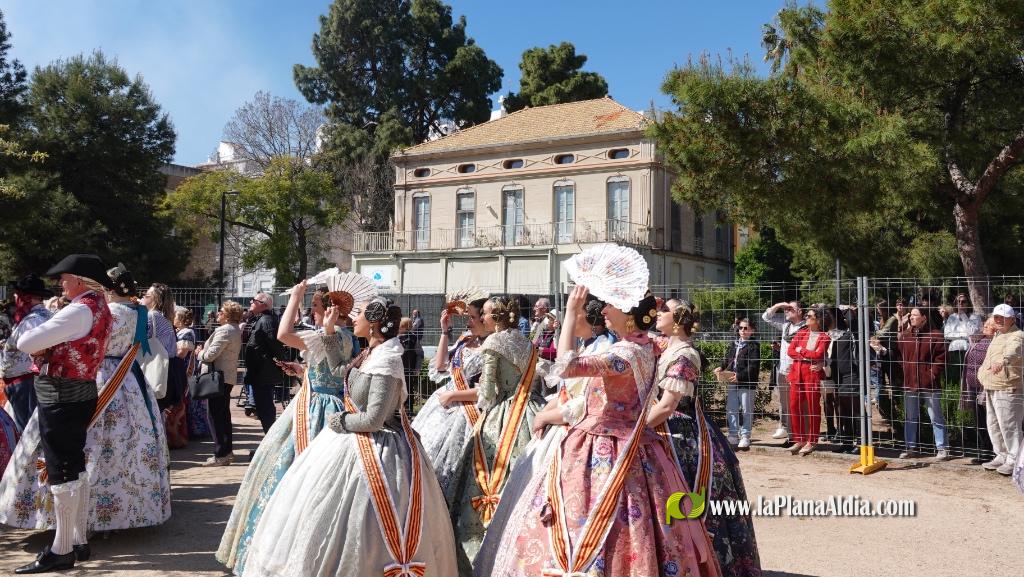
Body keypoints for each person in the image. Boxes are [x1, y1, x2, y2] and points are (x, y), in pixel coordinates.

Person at [486, 285, 721, 577]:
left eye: (611, 306)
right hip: (641, 448)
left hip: (602, 448)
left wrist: (571, 313)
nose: (605, 311)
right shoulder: (647, 346)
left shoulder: (623, 355)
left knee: (589, 523)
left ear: (629, 314)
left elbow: (567, 368)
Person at [240, 297, 457, 577]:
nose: (354, 319)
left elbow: (373, 420)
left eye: (360, 315)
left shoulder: (388, 360)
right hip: (354, 442)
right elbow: (341, 373)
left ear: (375, 322)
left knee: (363, 524)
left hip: (382, 451)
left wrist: (338, 420)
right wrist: (329, 333)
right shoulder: (372, 352)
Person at [217, 278, 356, 574]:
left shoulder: (328, 334)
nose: (311, 310)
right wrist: (303, 371)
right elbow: (329, 370)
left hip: (316, 407)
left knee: (291, 472)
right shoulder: (347, 336)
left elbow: (283, 334)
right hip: (324, 400)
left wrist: (294, 297)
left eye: (315, 306)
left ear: (330, 309)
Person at [474, 293, 615, 577]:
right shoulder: (581, 344)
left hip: (579, 430)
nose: (569, 324)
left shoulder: (605, 350)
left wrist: (546, 415)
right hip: (548, 415)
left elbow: (584, 401)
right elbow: (562, 388)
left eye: (575, 317)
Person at [1, 254, 114, 574]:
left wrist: (44, 347)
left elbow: (26, 341)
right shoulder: (99, 306)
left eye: (65, 278)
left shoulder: (79, 310)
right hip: (81, 391)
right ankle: (77, 540)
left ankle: (61, 549)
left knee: (61, 468)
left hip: (60, 395)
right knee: (74, 465)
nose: (60, 283)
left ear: (80, 280)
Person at [656, 300, 762, 577]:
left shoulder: (685, 355)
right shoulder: (666, 348)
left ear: (678, 320)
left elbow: (668, 405)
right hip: (664, 428)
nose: (657, 314)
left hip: (682, 437)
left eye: (663, 310)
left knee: (691, 498)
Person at [448, 296, 546, 573]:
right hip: (531, 407)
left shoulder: (493, 343)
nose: (482, 319)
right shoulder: (525, 341)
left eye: (487, 314)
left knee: (487, 476)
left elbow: (487, 392)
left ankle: (481, 552)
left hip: (504, 416)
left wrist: (481, 414)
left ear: (496, 317)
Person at [412, 294, 491, 503]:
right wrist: (445, 331)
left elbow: (488, 390)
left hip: (467, 409)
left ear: (485, 318)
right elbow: (440, 366)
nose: (468, 322)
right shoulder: (465, 339)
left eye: (473, 317)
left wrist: (453, 395)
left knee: (448, 463)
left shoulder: (492, 347)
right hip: (443, 403)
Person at [0, 274, 54, 431]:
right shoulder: (41, 316)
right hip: (25, 382)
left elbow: (39, 348)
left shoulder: (33, 320)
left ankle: (31, 457)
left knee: (28, 430)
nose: (15, 297)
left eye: (17, 294)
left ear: (26, 297)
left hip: (27, 383)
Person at [897, 306, 949, 460]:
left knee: (936, 416)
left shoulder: (936, 336)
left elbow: (942, 359)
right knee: (910, 416)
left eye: (914, 315)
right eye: (910, 315)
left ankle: (942, 448)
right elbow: (900, 357)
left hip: (929, 384)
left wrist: (931, 374)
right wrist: (906, 372)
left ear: (924, 317)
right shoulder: (905, 336)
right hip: (910, 383)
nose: (911, 317)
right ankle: (910, 447)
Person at [978, 303, 1024, 476]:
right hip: (991, 386)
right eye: (996, 317)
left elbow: (1014, 351)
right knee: (994, 424)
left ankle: (1014, 460)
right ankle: (1001, 455)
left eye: (1002, 318)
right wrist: (982, 374)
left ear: (1012, 319)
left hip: (1008, 387)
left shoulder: (1018, 335)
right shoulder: (997, 335)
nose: (998, 320)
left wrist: (1003, 361)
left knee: (1009, 425)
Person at [196, 300, 243, 466]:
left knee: (215, 416)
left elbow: (211, 355)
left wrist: (199, 353)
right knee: (223, 415)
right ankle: (227, 451)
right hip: (227, 377)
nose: (218, 314)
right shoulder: (235, 329)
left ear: (228, 315)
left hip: (218, 377)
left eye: (221, 311)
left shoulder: (225, 330)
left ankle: (220, 454)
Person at [786, 306, 830, 455]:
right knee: (794, 405)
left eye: (810, 316)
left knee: (813, 408)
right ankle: (800, 439)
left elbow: (818, 355)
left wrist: (801, 351)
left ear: (818, 320)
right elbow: (790, 351)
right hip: (797, 373)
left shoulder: (824, 336)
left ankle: (812, 440)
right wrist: (806, 355)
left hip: (812, 375)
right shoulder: (802, 332)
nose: (806, 318)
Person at [762, 300, 806, 442]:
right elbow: (766, 317)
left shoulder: (806, 328)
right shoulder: (786, 326)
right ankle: (785, 427)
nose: (786, 311)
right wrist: (779, 305)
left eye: (790, 309)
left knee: (798, 402)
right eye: (786, 309)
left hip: (797, 371)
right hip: (783, 370)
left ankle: (798, 432)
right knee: (783, 401)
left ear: (800, 311)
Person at [243, 292, 285, 433]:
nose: (250, 302)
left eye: (253, 300)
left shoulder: (266, 320)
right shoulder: (260, 319)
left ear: (262, 304)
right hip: (259, 372)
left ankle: (270, 441)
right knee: (262, 408)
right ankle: (269, 440)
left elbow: (275, 344)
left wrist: (282, 363)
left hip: (263, 373)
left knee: (265, 408)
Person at [718, 317, 761, 450]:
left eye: (745, 328)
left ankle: (745, 436)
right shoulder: (734, 343)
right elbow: (728, 359)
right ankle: (733, 434)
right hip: (732, 380)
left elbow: (753, 366)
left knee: (746, 410)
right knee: (731, 408)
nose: (742, 330)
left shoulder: (754, 346)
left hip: (746, 382)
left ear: (752, 331)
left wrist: (740, 376)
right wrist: (721, 367)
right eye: (740, 328)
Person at [824, 308, 860, 453]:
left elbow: (855, 322)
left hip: (851, 376)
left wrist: (848, 311)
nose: (824, 319)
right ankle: (847, 442)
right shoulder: (829, 335)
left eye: (827, 316)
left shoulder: (848, 334)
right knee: (843, 411)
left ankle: (861, 443)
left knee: (855, 411)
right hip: (836, 377)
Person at [961, 316, 996, 464]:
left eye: (989, 325)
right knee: (980, 422)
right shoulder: (977, 341)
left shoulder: (993, 344)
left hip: (986, 390)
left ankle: (993, 452)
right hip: (973, 389)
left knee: (991, 422)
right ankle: (985, 450)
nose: (985, 326)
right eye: (985, 324)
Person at [944, 293, 982, 390]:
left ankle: (968, 400)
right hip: (954, 350)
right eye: (958, 301)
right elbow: (947, 335)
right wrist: (964, 335)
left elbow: (973, 332)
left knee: (967, 377)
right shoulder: (952, 317)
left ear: (968, 303)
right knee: (954, 377)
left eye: (963, 301)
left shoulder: (975, 317)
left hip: (969, 350)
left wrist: (964, 317)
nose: (960, 304)